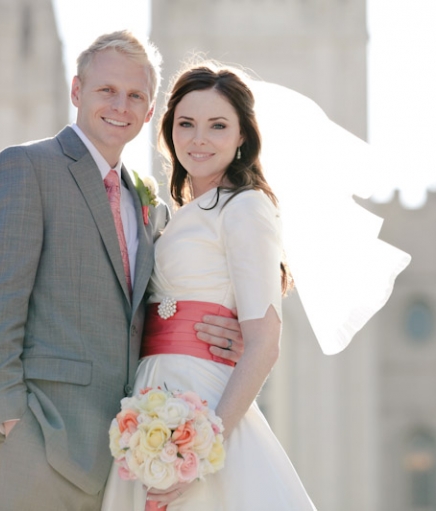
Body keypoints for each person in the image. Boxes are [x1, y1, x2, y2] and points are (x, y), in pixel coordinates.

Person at [0, 31, 245, 511]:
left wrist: (222, 334)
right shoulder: (26, 167)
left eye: (136, 96)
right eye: (106, 90)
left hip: (127, 458)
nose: (121, 105)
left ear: (150, 112)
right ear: (76, 92)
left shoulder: (147, 200)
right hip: (40, 448)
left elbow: (156, 306)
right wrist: (11, 428)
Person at [100, 62, 317, 511]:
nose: (199, 138)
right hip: (152, 397)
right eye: (186, 124)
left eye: (218, 125)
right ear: (168, 131)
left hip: (202, 409)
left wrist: (198, 451)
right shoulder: (180, 214)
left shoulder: (245, 207)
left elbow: (265, 343)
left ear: (242, 137)